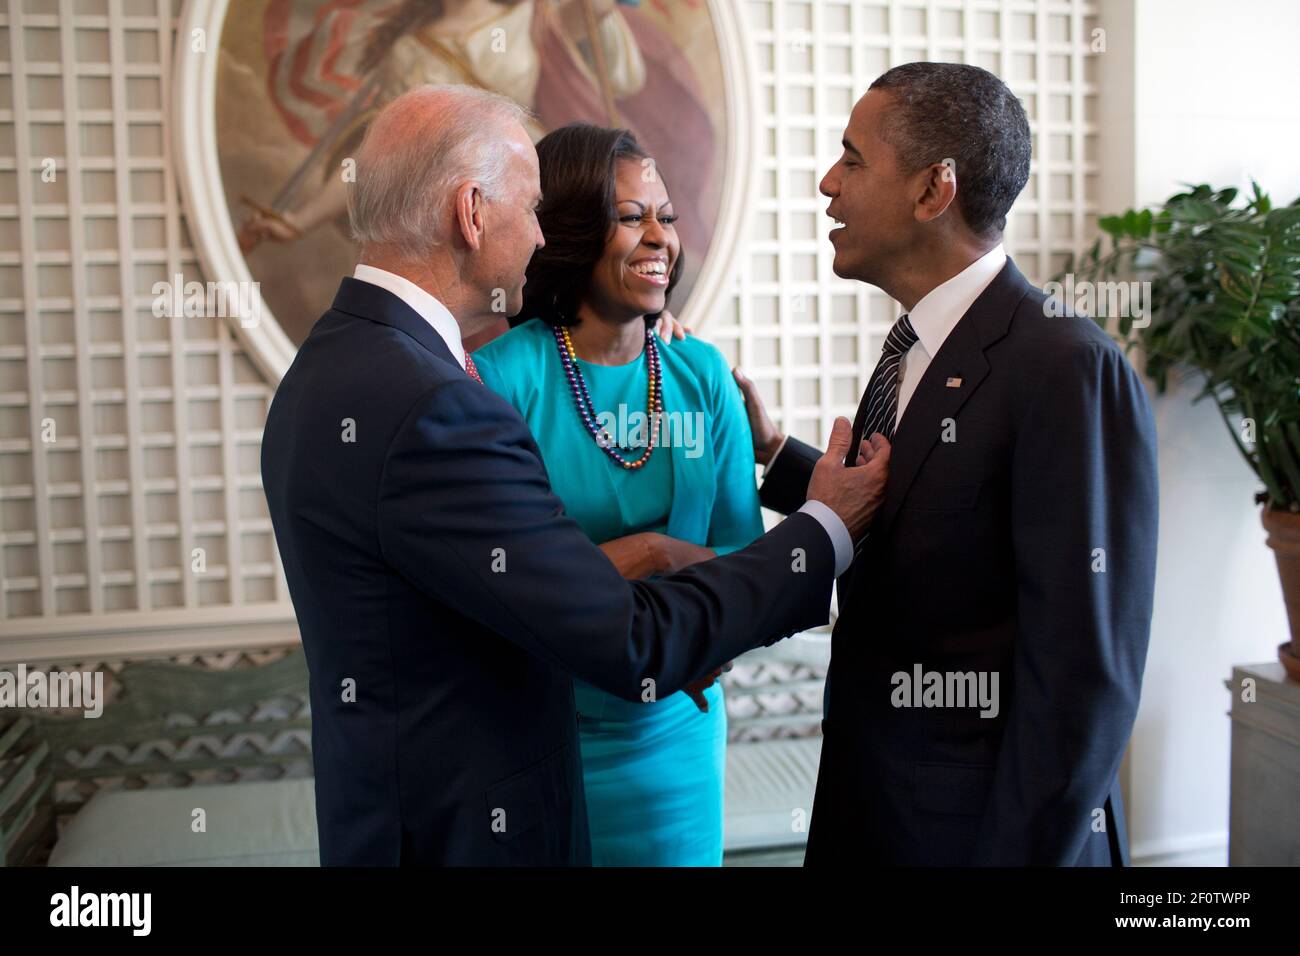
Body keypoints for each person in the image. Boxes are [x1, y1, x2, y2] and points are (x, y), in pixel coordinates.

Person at [260, 84, 891, 866]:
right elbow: (620, 635)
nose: (536, 234)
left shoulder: (333, 364)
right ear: (471, 211)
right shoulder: (440, 403)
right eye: (529, 209)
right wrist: (816, 527)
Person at [735, 62, 1159, 866]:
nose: (828, 184)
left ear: (935, 190)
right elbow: (915, 517)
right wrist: (773, 455)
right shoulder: (917, 349)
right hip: (874, 814)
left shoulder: (1066, 366)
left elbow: (1083, 680)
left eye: (853, 160)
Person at [472, 124, 753, 866]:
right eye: (632, 217)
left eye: (667, 216)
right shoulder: (499, 382)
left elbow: (743, 560)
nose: (660, 236)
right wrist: (655, 552)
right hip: (540, 737)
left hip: (678, 738)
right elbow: (501, 586)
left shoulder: (703, 375)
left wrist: (703, 614)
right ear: (571, 230)